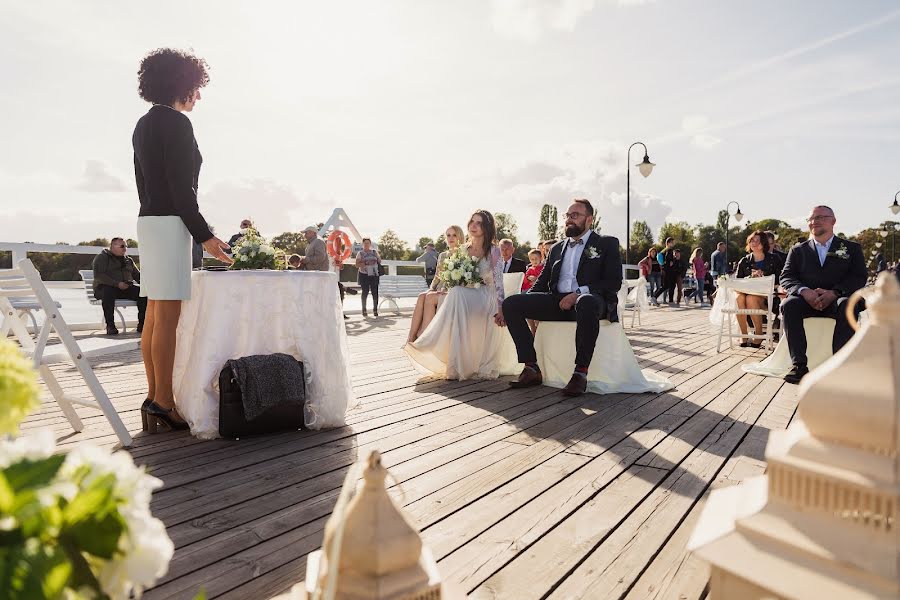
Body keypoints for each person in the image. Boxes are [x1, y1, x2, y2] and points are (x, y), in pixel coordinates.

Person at [133, 48, 232, 433]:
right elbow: (181, 190)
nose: (199, 95)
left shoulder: (143, 123)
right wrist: (205, 235)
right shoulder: (176, 123)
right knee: (167, 316)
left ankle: (154, 396)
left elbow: (147, 185)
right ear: (182, 84)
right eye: (196, 87)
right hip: (172, 223)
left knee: (155, 313)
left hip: (149, 221)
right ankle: (163, 401)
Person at [502, 199, 623, 397]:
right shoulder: (557, 248)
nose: (568, 220)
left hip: (592, 302)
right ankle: (531, 367)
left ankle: (580, 373)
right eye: (567, 216)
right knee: (512, 303)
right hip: (557, 302)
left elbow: (613, 282)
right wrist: (525, 302)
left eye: (575, 215)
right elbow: (541, 284)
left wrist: (578, 293)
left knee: (586, 301)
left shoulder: (606, 243)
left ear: (589, 219)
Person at [404, 210, 517, 380]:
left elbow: (499, 283)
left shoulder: (493, 251)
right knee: (455, 292)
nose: (473, 225)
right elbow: (456, 278)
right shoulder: (463, 249)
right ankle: (447, 357)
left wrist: (501, 309)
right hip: (465, 293)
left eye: (479, 223)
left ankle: (429, 341)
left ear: (486, 228)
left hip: (487, 295)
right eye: (472, 221)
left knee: (456, 294)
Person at [779, 206, 867, 384]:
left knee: (847, 304)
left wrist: (835, 292)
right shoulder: (797, 250)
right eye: (810, 219)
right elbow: (786, 276)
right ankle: (799, 366)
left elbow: (859, 277)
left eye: (819, 217)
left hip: (838, 299)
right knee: (788, 305)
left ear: (833, 221)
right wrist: (804, 291)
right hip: (806, 300)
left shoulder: (851, 248)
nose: (814, 221)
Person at [407, 225, 464, 344]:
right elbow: (437, 277)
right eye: (448, 235)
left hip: (451, 291)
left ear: (460, 237)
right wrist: (431, 289)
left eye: (454, 235)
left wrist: (445, 290)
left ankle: (424, 337)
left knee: (429, 297)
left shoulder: (464, 254)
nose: (451, 238)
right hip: (439, 288)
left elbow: (463, 280)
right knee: (422, 295)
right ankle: (410, 338)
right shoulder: (443, 255)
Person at [733, 230, 783, 347]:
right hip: (745, 293)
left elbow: (781, 279)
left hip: (767, 296)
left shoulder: (774, 259)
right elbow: (737, 282)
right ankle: (744, 335)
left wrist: (764, 277)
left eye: (757, 241)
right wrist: (750, 277)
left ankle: (759, 333)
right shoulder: (744, 261)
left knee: (751, 298)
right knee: (738, 298)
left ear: (763, 244)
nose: (753, 243)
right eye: (751, 241)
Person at [92, 238, 147, 335]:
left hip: (124, 289)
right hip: (104, 288)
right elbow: (99, 275)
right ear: (113, 247)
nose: (125, 249)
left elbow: (138, 276)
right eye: (122, 246)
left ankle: (142, 325)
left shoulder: (128, 260)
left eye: (126, 246)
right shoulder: (102, 258)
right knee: (108, 291)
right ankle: (110, 326)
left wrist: (147, 287)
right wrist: (117, 284)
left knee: (142, 294)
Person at [298, 226, 349, 319]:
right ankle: (317, 315)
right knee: (316, 296)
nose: (304, 235)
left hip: (319, 274)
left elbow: (320, 258)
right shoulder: (312, 243)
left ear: (313, 233)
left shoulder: (318, 242)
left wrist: (306, 259)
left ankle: (320, 315)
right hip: (315, 274)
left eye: (307, 232)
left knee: (319, 296)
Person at [355, 237, 382, 318]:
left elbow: (379, 260)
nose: (367, 244)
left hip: (374, 275)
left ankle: (375, 310)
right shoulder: (360, 253)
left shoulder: (374, 252)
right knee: (365, 292)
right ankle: (364, 310)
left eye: (368, 243)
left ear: (370, 244)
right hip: (364, 275)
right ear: (363, 244)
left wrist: (376, 260)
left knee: (375, 292)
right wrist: (366, 263)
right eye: (365, 243)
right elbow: (357, 265)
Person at [653, 238, 678, 304]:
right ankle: (669, 300)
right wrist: (671, 261)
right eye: (672, 242)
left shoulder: (663, 250)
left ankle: (655, 297)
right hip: (668, 270)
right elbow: (668, 258)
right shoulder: (669, 250)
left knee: (666, 285)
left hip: (664, 270)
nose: (673, 244)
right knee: (669, 285)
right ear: (668, 243)